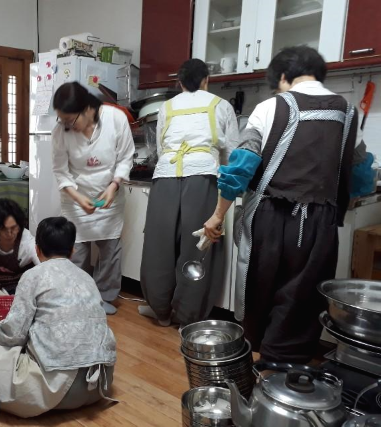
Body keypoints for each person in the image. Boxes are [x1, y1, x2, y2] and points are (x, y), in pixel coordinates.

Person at [203, 46, 358, 363]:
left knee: (259, 292)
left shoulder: (269, 107)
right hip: (321, 222)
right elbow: (358, 169)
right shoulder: (348, 111)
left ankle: (261, 366)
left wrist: (217, 216)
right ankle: (286, 370)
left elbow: (240, 167)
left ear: (284, 76)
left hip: (271, 219)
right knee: (303, 299)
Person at [0, 216, 116, 418]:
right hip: (100, 384)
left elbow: (12, 336)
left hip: (60, 391)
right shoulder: (87, 278)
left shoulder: (33, 276)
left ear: (37, 249)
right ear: (72, 250)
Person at [139, 59, 239, 328]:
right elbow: (232, 154)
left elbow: (162, 147)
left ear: (180, 82)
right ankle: (187, 318)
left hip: (165, 178)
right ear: (207, 79)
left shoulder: (167, 107)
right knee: (198, 246)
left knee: (159, 245)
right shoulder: (221, 105)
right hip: (203, 177)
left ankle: (160, 311)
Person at [52, 82, 134, 315]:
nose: (66, 126)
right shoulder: (61, 131)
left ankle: (104, 297)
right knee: (76, 253)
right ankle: (76, 298)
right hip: (75, 198)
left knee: (110, 252)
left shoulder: (116, 119)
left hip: (109, 196)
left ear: (88, 108)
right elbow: (60, 171)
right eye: (62, 120)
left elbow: (125, 158)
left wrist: (114, 185)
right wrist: (77, 197)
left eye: (70, 120)